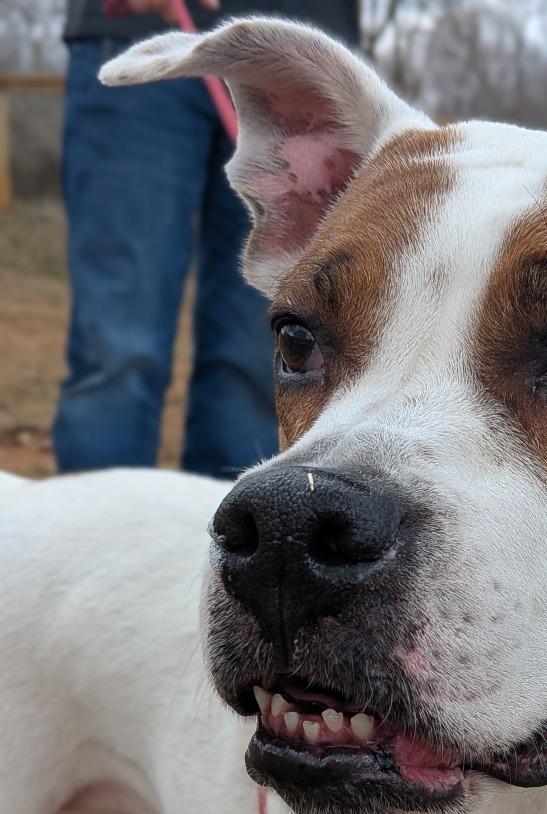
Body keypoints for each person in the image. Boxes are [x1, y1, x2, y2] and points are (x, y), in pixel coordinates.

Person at [55, 0, 361, 478]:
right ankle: (86, 539)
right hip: (142, 33)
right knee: (117, 351)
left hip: (304, 70)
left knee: (254, 363)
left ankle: (224, 543)